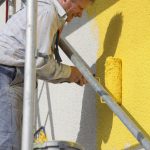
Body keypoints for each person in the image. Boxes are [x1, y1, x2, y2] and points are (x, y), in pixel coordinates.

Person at [0, 0, 94, 149]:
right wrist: (71, 73)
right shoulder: (47, 13)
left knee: (14, 141)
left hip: (10, 76)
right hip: (9, 76)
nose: (81, 14)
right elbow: (40, 63)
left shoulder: (44, 11)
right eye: (80, 8)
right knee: (9, 144)